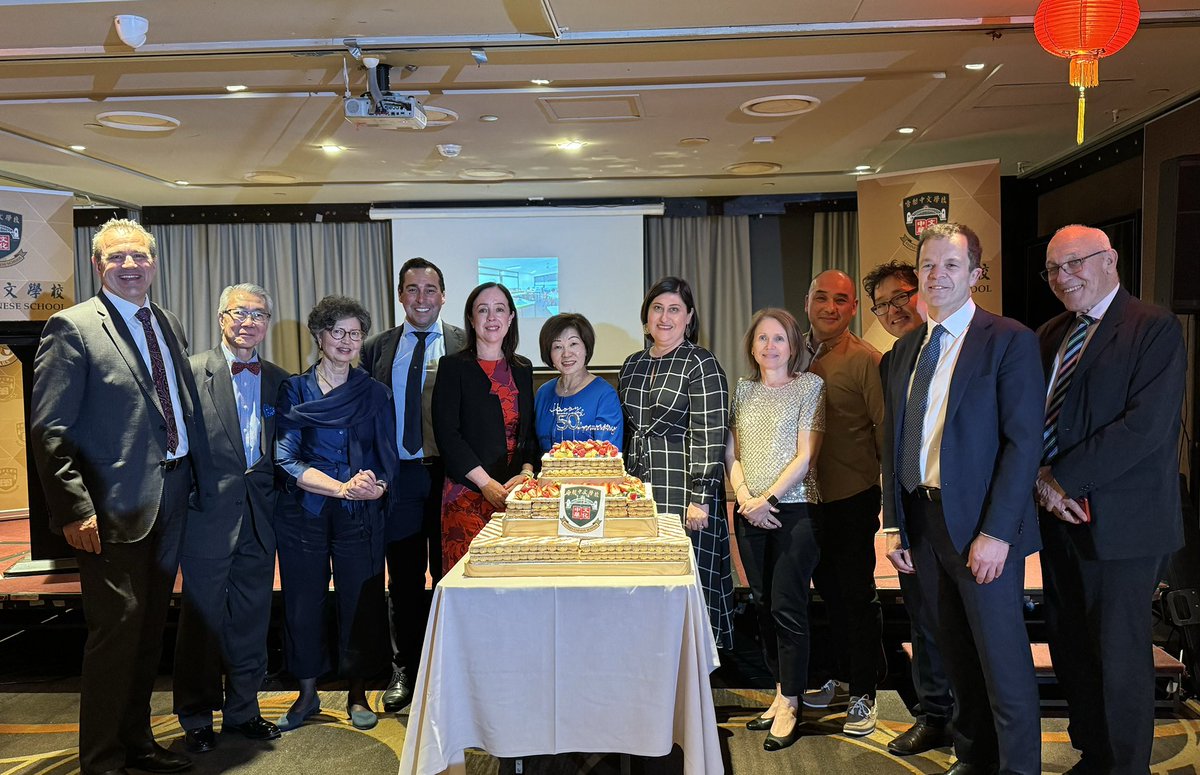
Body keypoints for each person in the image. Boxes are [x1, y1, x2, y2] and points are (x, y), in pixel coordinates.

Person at [31, 218, 203, 775]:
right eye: (116, 257)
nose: (130, 266)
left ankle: (139, 744)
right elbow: (49, 430)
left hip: (170, 494)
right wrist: (74, 508)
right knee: (115, 634)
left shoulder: (165, 320)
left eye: (139, 256)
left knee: (150, 627)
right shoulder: (72, 327)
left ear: (153, 263)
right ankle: (101, 760)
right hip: (108, 511)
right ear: (97, 265)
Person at [881, 223, 1043, 775]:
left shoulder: (1009, 339)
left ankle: (1019, 768)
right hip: (923, 524)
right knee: (955, 656)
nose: (937, 275)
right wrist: (896, 525)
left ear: (975, 274)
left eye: (950, 265)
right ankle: (974, 758)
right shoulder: (905, 352)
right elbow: (894, 444)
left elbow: (1024, 444)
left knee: (1001, 661)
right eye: (928, 265)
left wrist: (998, 533)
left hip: (981, 527)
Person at [1034, 225, 1185, 775]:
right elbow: (1029, 422)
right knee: (1072, 647)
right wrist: (1039, 481)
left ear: (1110, 260)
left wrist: (1061, 480)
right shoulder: (1051, 333)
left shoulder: (1153, 328)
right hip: (1059, 520)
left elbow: (1144, 428)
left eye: (1074, 263)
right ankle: (1094, 753)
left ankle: (1125, 766)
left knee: (1119, 657)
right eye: (1053, 268)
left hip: (1123, 525)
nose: (1062, 276)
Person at [274, 295, 404, 733]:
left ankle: (357, 693)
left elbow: (388, 458)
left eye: (355, 333)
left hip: (361, 514)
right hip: (305, 512)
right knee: (302, 601)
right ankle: (307, 694)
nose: (347, 341)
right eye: (338, 332)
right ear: (319, 336)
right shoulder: (293, 389)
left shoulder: (375, 392)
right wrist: (339, 487)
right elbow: (286, 459)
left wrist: (376, 487)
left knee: (361, 603)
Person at [173, 284, 288, 753]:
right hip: (206, 518)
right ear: (221, 318)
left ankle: (244, 710)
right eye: (238, 312)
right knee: (201, 622)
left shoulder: (281, 380)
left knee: (250, 621)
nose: (248, 321)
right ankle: (196, 716)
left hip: (260, 521)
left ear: (267, 324)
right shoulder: (190, 371)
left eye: (258, 314)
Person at [361, 257, 467, 713]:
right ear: (400, 295)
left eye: (430, 289)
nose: (421, 297)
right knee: (404, 578)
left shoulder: (466, 343)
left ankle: (453, 667)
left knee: (452, 575)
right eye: (411, 289)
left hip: (453, 477)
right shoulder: (378, 348)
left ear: (443, 296)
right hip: (400, 476)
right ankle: (405, 666)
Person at [863, 260, 953, 756]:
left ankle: (973, 724)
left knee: (965, 622)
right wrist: (892, 521)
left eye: (901, 297)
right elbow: (892, 443)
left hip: (964, 513)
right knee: (923, 617)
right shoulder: (894, 358)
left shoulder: (969, 345)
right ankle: (934, 714)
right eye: (882, 304)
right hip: (913, 510)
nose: (893, 310)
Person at [725, 308, 825, 752]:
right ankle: (781, 689)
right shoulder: (742, 391)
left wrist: (769, 500)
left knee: (788, 606)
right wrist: (746, 498)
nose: (770, 346)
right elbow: (733, 454)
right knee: (762, 605)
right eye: (762, 339)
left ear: (793, 345)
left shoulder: (809, 386)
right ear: (752, 346)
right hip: (748, 512)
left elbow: (805, 457)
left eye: (779, 338)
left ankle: (792, 701)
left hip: (795, 511)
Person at [619, 276, 734, 648]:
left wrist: (701, 495)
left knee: (689, 578)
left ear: (689, 317)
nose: (664, 318)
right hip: (640, 487)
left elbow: (711, 431)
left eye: (674, 309)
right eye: (657, 308)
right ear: (646, 315)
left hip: (685, 488)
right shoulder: (632, 364)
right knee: (647, 576)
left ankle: (695, 678)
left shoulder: (702, 363)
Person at [798, 270, 885, 736]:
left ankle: (865, 693)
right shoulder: (792, 353)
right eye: (821, 298)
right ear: (807, 301)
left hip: (851, 499)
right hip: (805, 500)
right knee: (825, 593)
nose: (830, 307)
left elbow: (884, 431)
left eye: (841, 300)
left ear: (854, 309)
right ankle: (839, 676)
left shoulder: (867, 360)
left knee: (856, 595)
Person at [432, 282, 538, 573]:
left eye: (499, 309)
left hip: (515, 496)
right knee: (469, 581)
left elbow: (528, 431)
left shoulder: (523, 368)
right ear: (471, 318)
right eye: (483, 310)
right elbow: (447, 435)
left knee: (513, 581)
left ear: (511, 318)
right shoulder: (453, 367)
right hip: (467, 494)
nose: (492, 317)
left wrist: (527, 473)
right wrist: (485, 484)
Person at [534, 312, 623, 451]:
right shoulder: (543, 393)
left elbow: (608, 454)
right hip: (544, 472)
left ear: (586, 348)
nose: (566, 354)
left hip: (588, 473)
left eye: (573, 344)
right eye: (557, 347)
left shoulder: (604, 395)